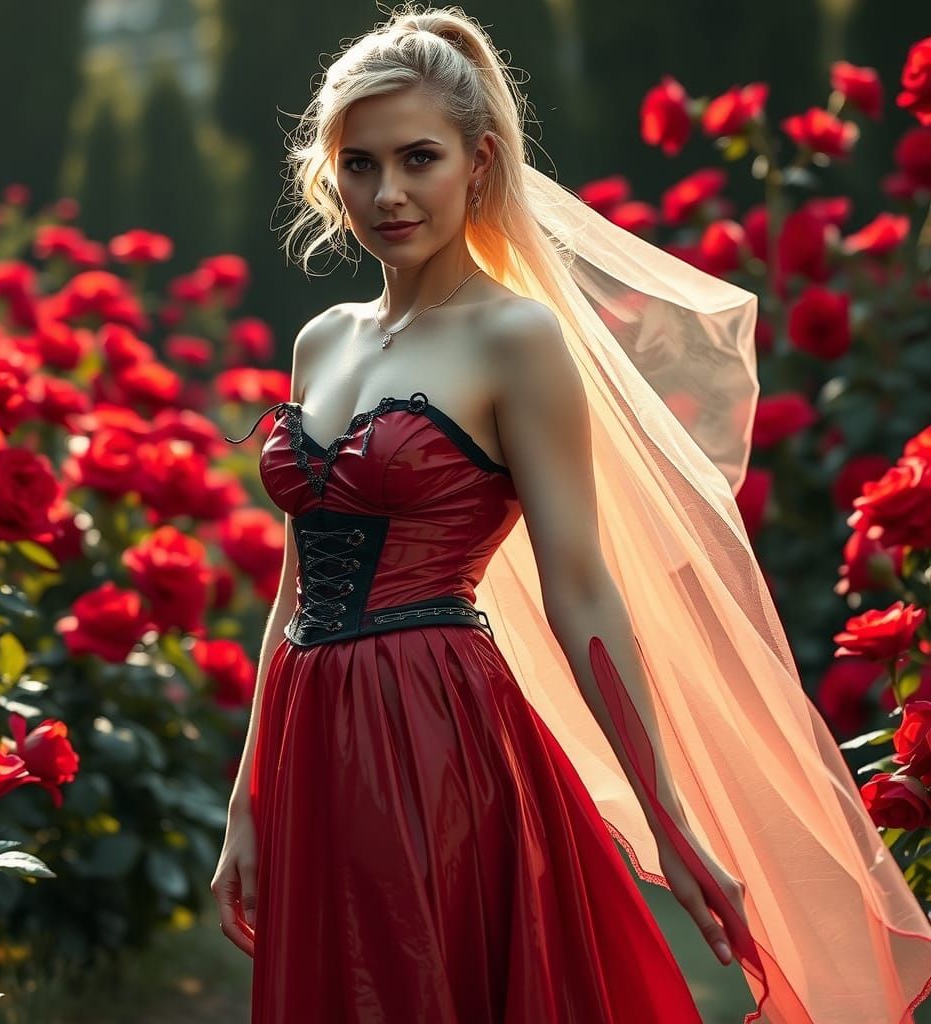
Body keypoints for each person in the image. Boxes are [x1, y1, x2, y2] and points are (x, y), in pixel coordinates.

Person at [212, 6, 931, 1023]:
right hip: (312, 743)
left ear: (479, 160)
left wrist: (668, 815)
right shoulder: (321, 342)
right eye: (358, 164)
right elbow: (294, 585)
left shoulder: (516, 338)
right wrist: (247, 801)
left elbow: (580, 587)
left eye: (418, 157)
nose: (388, 192)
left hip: (438, 734)